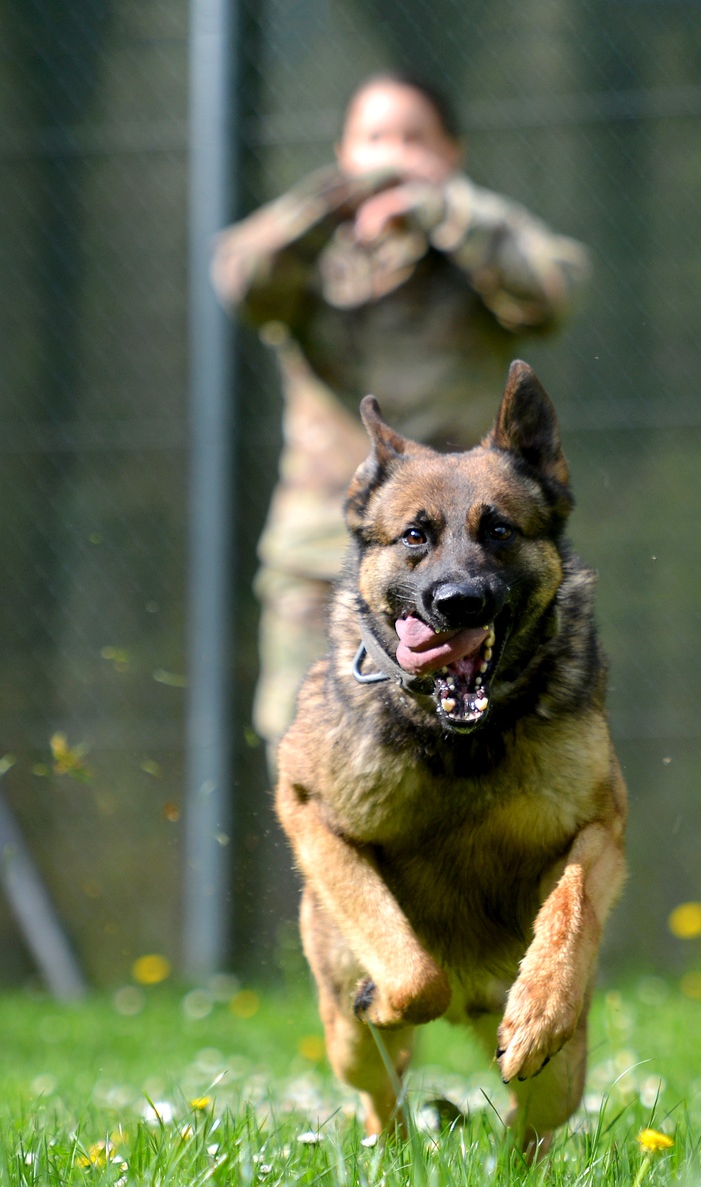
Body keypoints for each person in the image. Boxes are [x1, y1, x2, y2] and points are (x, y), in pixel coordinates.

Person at [212, 72, 589, 763]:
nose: (394, 156)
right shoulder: (313, 258)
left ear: (453, 154)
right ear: (343, 153)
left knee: (476, 752)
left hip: (463, 569)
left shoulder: (477, 253)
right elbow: (241, 279)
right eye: (375, 139)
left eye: (416, 140)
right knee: (307, 752)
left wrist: (446, 212)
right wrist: (333, 201)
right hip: (320, 551)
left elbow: (552, 292)